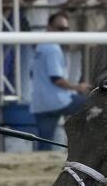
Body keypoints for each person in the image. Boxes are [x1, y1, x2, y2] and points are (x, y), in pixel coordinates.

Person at [28, 11, 89, 150]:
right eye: (60, 28)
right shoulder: (52, 48)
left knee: (44, 144)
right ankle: (85, 145)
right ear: (49, 27)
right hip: (58, 101)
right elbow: (57, 79)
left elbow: (31, 73)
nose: (64, 32)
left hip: (40, 104)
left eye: (66, 29)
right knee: (92, 104)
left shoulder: (40, 47)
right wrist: (78, 87)